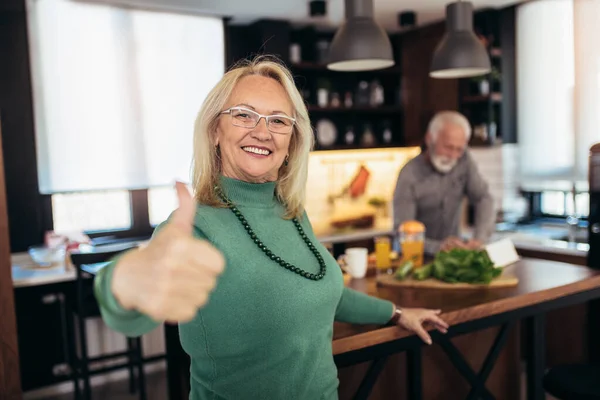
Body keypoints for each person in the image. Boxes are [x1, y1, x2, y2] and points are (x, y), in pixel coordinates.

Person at [94, 56, 448, 400]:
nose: (262, 132)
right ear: (215, 129)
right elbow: (132, 309)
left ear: (292, 140)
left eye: (278, 120)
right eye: (244, 115)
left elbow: (326, 294)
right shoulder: (195, 225)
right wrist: (124, 284)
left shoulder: (292, 212)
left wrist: (397, 313)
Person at [393, 111, 495, 254]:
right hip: (416, 259)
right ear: (430, 139)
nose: (453, 156)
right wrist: (438, 247)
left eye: (459, 149)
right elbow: (402, 231)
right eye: (448, 147)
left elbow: (483, 198)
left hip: (452, 258)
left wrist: (479, 239)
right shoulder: (409, 174)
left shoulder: (464, 161)